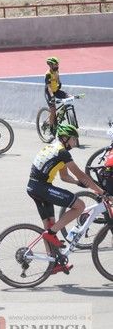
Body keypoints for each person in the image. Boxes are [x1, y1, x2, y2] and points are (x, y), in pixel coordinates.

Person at [27, 124, 105, 274]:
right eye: (74, 139)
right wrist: (100, 191)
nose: (75, 143)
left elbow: (64, 176)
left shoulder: (55, 147)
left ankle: (53, 263)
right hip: (42, 187)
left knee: (49, 225)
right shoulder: (62, 152)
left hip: (34, 186)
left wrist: (77, 183)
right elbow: (81, 174)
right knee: (79, 205)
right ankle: (51, 235)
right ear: (65, 138)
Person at [44, 57, 70, 134]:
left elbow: (58, 79)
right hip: (49, 93)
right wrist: (52, 96)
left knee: (68, 96)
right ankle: (51, 129)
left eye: (57, 64)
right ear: (51, 65)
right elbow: (48, 87)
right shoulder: (48, 74)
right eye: (55, 64)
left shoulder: (56, 71)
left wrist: (59, 83)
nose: (57, 66)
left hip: (56, 90)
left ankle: (59, 118)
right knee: (53, 110)